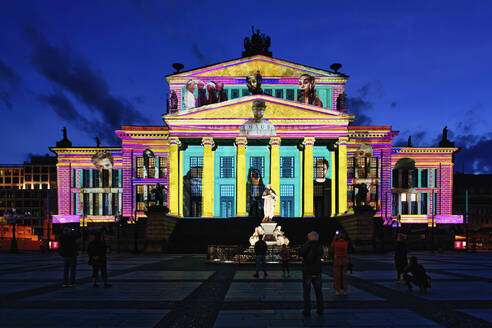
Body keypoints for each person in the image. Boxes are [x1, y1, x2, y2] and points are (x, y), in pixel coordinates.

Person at [300, 231, 324, 316]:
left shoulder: (307, 245)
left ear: (309, 238)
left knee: (307, 293)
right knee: (319, 292)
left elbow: (301, 253)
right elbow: (321, 255)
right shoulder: (319, 246)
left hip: (307, 272)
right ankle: (320, 310)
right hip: (317, 271)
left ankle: (307, 311)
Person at [331, 231, 349, 296]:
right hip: (344, 259)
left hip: (337, 260)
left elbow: (332, 246)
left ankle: (338, 290)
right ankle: (345, 290)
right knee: (344, 275)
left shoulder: (335, 243)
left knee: (337, 276)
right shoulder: (346, 243)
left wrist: (334, 238)